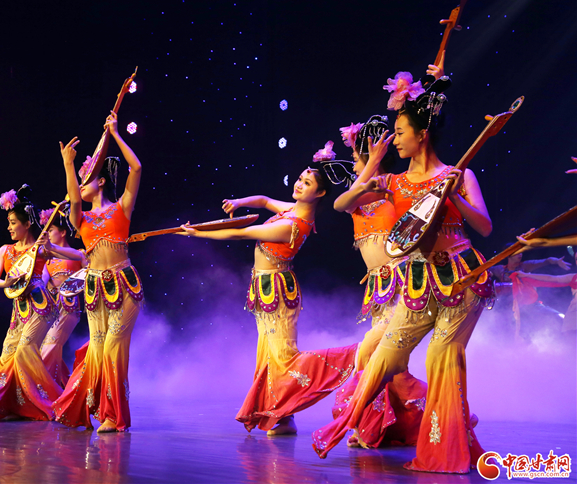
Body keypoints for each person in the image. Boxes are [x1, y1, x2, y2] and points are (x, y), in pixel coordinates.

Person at [313, 74, 494, 474]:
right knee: (384, 356)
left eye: (399, 133)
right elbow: (342, 204)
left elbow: (484, 227)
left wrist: (455, 197)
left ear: (422, 135)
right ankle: (345, 424)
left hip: (461, 279)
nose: (393, 141)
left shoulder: (460, 175)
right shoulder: (392, 182)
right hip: (417, 282)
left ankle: (445, 452)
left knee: (441, 356)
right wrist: (372, 165)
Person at [178, 160, 357, 436]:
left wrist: (199, 233)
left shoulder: (293, 225)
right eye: (300, 178)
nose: (299, 184)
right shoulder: (290, 209)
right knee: (270, 355)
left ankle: (350, 357)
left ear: (320, 193)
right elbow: (263, 200)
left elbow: (241, 233)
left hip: (278, 292)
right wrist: (238, 202)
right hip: (266, 289)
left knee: (284, 357)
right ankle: (282, 417)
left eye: (307, 183)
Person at [331, 116, 427, 449]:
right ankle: (388, 427)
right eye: (358, 160)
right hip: (378, 287)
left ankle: (368, 422)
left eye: (357, 160)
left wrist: (372, 163)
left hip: (402, 281)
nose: (355, 167)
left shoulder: (392, 188)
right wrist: (369, 165)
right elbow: (340, 204)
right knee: (391, 365)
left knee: (371, 351)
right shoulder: (360, 195)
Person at [52, 110, 144, 433]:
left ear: (101, 181)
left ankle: (113, 415)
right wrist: (68, 165)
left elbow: (136, 168)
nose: (80, 185)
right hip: (94, 290)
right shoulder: (81, 219)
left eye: (86, 178)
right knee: (99, 349)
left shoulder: (122, 208)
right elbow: (74, 199)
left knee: (113, 348)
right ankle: (101, 410)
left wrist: (115, 134)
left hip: (124, 285)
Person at [0, 185, 68, 421]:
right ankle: (12, 403)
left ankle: (53, 402)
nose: (8, 227)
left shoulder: (40, 249)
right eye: (8, 222)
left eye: (13, 222)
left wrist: (52, 248)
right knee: (8, 354)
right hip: (19, 310)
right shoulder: (5, 250)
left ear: (27, 224)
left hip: (41, 307)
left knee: (25, 349)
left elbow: (74, 255)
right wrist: (7, 282)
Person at [38, 207, 87, 388]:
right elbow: (41, 282)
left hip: (68, 306)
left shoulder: (78, 253)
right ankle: (62, 389)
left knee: (51, 344)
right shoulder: (47, 258)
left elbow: (89, 276)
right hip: (50, 307)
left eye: (51, 230)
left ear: (63, 232)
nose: (48, 235)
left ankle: (41, 389)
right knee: (44, 347)